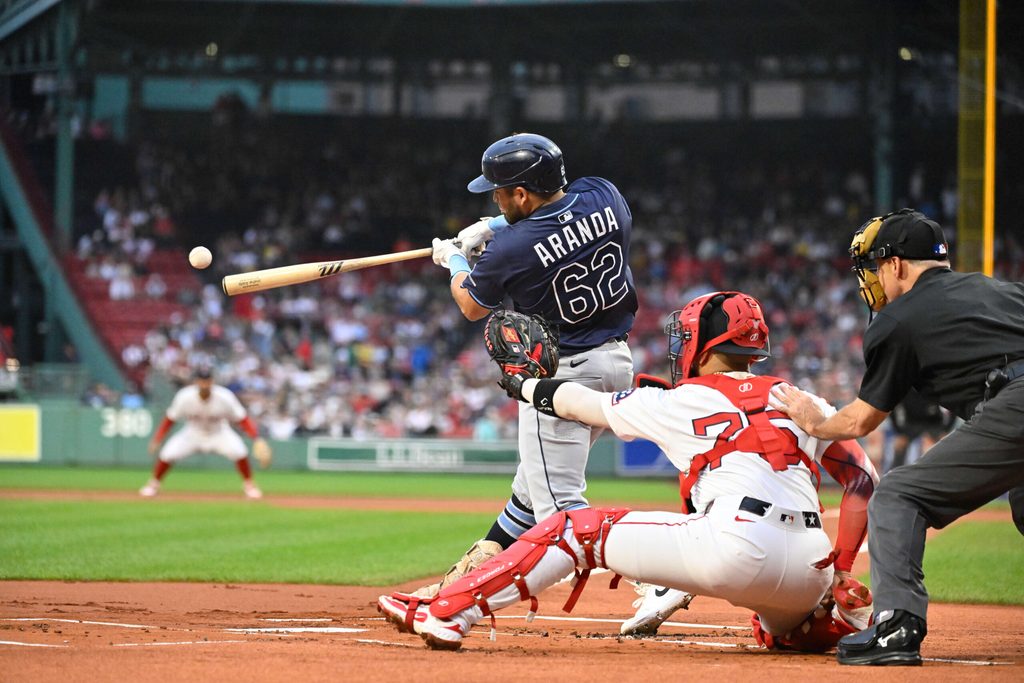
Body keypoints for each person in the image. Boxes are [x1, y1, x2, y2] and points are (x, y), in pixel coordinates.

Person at [378, 291, 878, 652]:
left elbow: (583, 404)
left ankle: (445, 612)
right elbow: (862, 481)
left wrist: (526, 385)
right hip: (811, 567)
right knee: (780, 634)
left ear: (702, 345)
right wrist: (843, 567)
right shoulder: (801, 399)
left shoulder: (681, 399)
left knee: (576, 529)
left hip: (733, 547)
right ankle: (833, 617)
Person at [401, 132, 664, 612]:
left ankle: (658, 578)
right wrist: (495, 224)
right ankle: (464, 578)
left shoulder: (511, 250)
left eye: (500, 193)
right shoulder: (602, 193)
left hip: (561, 380)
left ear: (521, 193)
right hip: (614, 366)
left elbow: (471, 305)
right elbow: (558, 218)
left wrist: (455, 259)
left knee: (560, 512)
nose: (496, 198)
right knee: (529, 494)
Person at [771, 208, 1024, 666]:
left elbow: (860, 422)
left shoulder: (899, 318)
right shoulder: (998, 289)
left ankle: (896, 625)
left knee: (898, 496)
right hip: (1011, 403)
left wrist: (813, 421)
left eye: (873, 268)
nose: (870, 279)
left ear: (896, 265)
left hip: (1017, 404)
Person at [139, 367, 270, 499]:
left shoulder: (225, 397)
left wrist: (257, 438)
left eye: (207, 381)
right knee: (167, 453)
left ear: (212, 382)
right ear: (196, 382)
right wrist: (158, 438)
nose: (204, 384)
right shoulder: (185, 396)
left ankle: (249, 485)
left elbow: (242, 419)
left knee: (239, 451)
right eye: (202, 381)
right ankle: (153, 485)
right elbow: (170, 419)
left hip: (219, 432)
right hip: (192, 432)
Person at [886, 388, 952, 471]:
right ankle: (894, 477)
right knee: (900, 446)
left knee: (947, 447)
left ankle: (946, 473)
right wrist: (898, 432)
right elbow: (891, 406)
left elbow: (953, 405)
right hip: (911, 424)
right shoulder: (905, 385)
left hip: (934, 423)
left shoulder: (934, 383)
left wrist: (946, 430)